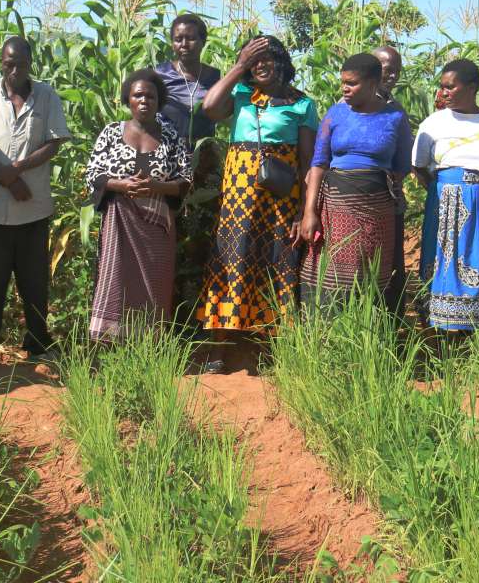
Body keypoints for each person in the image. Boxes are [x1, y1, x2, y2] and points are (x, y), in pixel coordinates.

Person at [197, 35, 318, 371]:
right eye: (254, 60)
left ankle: (268, 346)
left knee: (276, 260)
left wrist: (303, 210)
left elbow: (307, 162)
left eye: (267, 58)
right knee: (232, 256)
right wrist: (238, 67)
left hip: (281, 196)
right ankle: (221, 344)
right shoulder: (241, 95)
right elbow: (208, 108)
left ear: (282, 61)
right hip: (239, 194)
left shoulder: (302, 104)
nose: (260, 65)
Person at [0, 36, 71, 360]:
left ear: (30, 63)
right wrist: (5, 176)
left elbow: (54, 142)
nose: (14, 70)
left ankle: (37, 340)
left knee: (34, 283)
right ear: (0, 63)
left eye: (21, 64)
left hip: (33, 208)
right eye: (9, 64)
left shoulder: (46, 95)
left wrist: (19, 168)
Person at [85, 69, 191, 340]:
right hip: (120, 220)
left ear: (159, 101)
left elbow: (185, 180)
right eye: (138, 95)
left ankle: (151, 344)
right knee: (117, 278)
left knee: (155, 281)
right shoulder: (111, 133)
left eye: (150, 96)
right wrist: (121, 185)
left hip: (157, 224)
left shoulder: (171, 136)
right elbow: (93, 175)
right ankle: (111, 343)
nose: (144, 100)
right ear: (128, 100)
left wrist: (156, 187)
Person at [299, 53, 411, 306]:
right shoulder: (336, 114)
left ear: (373, 83)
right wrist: (310, 212)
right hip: (335, 205)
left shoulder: (394, 117)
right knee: (331, 271)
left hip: (377, 207)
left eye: (352, 83)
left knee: (373, 271)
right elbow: (318, 164)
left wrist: (378, 183)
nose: (345, 88)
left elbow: (403, 164)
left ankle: (371, 334)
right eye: (343, 82)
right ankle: (327, 334)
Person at [412, 59, 479, 331]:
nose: (443, 93)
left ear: (472, 87)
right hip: (444, 203)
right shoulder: (433, 122)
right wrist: (445, 192)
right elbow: (419, 165)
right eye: (441, 87)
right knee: (444, 260)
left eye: (450, 87)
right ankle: (443, 326)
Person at [374, 45, 410, 318]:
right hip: (353, 199)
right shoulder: (347, 104)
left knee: (391, 264)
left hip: (389, 198)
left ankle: (390, 323)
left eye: (396, 71)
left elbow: (404, 161)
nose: (393, 76)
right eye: (387, 70)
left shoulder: (397, 110)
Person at [156, 13, 222, 145]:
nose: (184, 44)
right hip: (167, 153)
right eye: (178, 39)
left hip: (204, 155)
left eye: (191, 38)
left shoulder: (216, 78)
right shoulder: (160, 75)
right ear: (172, 43)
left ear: (203, 41)